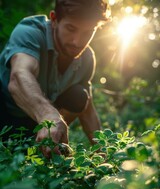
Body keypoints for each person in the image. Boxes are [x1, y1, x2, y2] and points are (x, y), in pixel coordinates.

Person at [0, 0, 110, 155]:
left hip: (37, 126)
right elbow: (20, 76)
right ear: (54, 19)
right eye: (71, 28)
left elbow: (87, 107)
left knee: (79, 95)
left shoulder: (87, 57)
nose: (77, 42)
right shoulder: (29, 31)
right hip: (6, 115)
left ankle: (47, 145)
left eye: (87, 32)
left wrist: (105, 152)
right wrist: (48, 116)